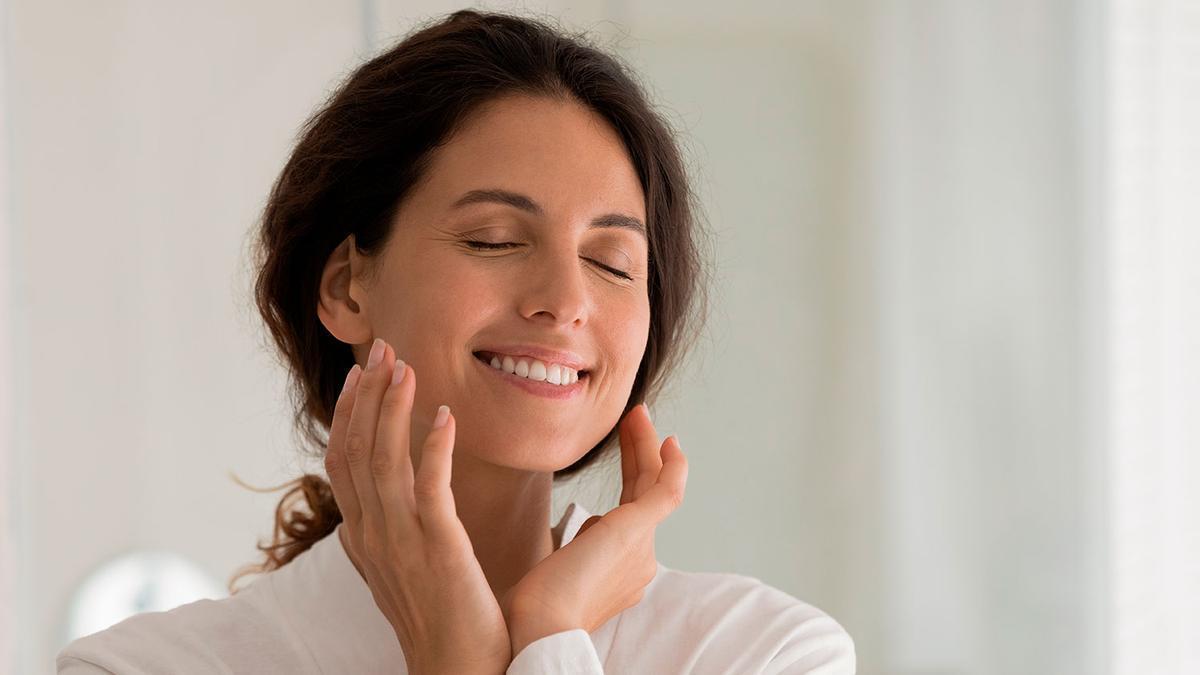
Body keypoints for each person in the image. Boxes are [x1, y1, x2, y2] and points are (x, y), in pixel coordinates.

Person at [56, 8, 855, 674]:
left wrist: (546, 629)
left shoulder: (762, 652)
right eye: (495, 240)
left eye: (611, 261)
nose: (565, 301)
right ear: (345, 285)